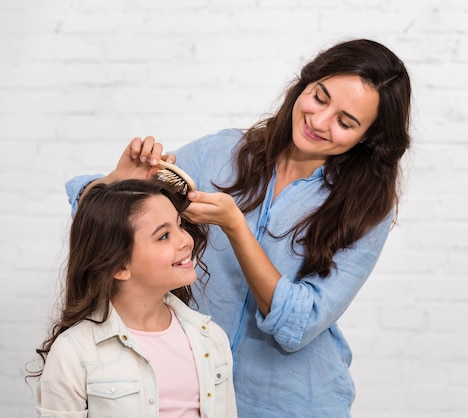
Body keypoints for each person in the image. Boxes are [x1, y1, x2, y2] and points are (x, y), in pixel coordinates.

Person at [65, 38, 412, 417]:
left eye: (346, 122)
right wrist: (117, 180)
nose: (319, 120)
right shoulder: (222, 153)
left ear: (368, 138)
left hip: (293, 404)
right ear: (305, 84)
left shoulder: (366, 209)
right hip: (192, 396)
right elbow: (104, 224)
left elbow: (299, 325)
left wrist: (236, 228)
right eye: (320, 97)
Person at [32, 179, 237, 418]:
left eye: (180, 226)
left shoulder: (212, 339)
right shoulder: (73, 353)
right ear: (119, 265)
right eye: (164, 236)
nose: (186, 241)